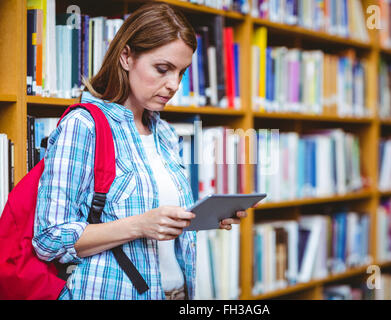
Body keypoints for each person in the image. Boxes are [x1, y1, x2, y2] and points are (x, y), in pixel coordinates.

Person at [32, 2, 247, 300]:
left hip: (177, 293)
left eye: (181, 73)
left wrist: (203, 217)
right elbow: (49, 239)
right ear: (126, 57)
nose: (173, 85)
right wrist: (140, 225)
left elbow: (159, 221)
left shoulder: (166, 134)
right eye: (162, 69)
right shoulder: (84, 126)